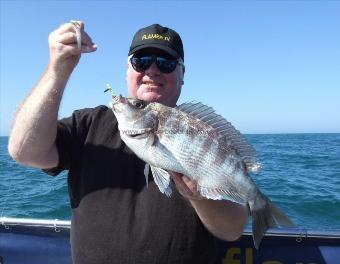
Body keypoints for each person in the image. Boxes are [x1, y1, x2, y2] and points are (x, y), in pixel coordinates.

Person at [8, 22, 249, 264]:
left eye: (165, 63)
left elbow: (232, 230)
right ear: (127, 71)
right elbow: (24, 151)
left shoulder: (204, 135)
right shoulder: (88, 124)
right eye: (141, 61)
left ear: (182, 75)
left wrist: (199, 197)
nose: (152, 70)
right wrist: (57, 69)